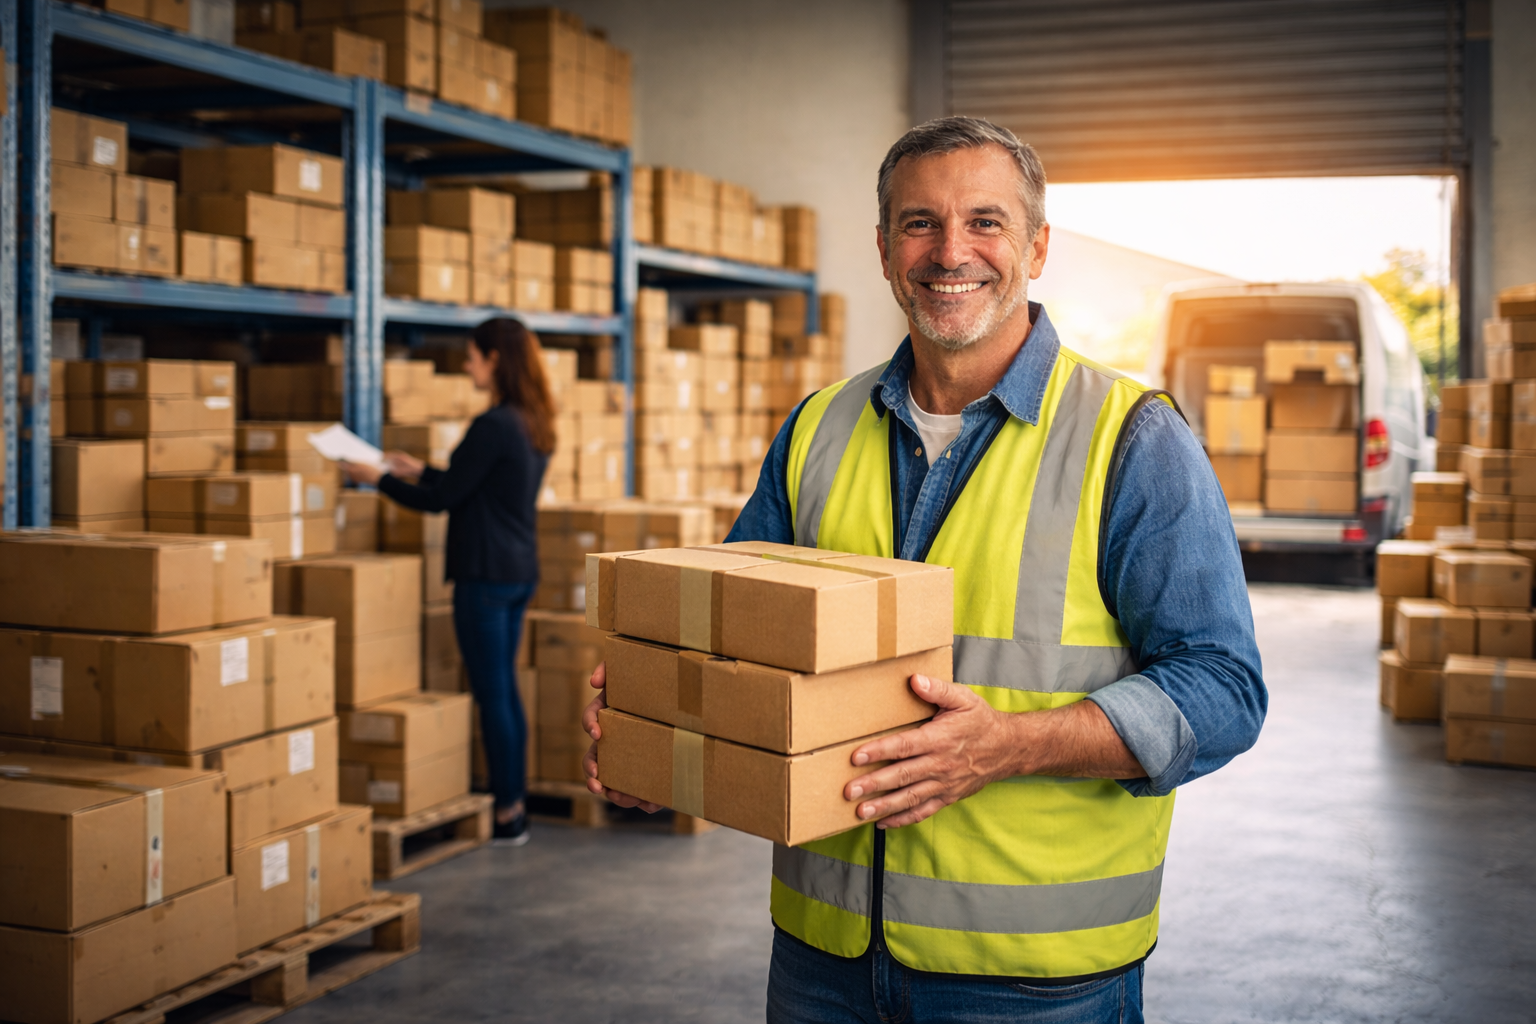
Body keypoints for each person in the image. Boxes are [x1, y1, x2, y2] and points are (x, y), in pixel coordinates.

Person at [581, 117, 1268, 1021]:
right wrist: (658, 738)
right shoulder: (817, 428)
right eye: (919, 223)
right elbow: (738, 643)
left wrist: (1011, 746)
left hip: (1031, 980)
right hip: (824, 961)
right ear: (881, 248)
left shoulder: (1131, 438)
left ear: (1037, 246)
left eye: (985, 222)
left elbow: (1223, 691)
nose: (952, 252)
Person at [342, 317, 554, 846]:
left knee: (493, 693)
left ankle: (507, 811)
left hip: (484, 576)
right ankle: (516, 806)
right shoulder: (532, 423)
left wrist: (381, 480)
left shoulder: (494, 424)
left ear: (495, 359)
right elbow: (471, 485)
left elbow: (445, 500)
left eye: (472, 356)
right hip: (517, 570)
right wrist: (418, 469)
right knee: (503, 689)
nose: (467, 366)